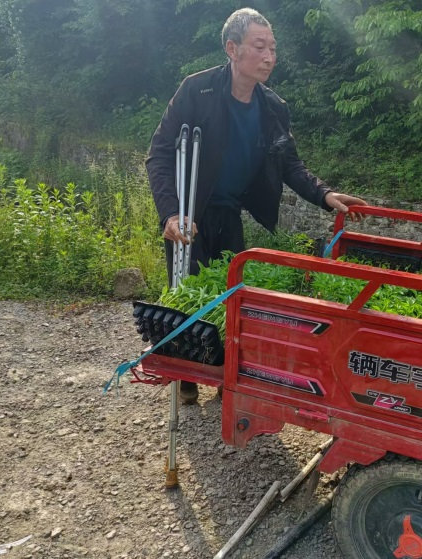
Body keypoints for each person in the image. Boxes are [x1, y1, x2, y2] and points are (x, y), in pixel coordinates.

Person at [146, 8, 367, 404]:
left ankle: (224, 372)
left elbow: (289, 164)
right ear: (232, 48)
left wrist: (324, 194)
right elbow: (160, 155)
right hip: (189, 213)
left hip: (230, 211)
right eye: (259, 46)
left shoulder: (273, 107)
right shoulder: (197, 91)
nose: (269, 56)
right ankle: (186, 376)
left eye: (273, 48)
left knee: (231, 295)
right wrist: (170, 212)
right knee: (187, 292)